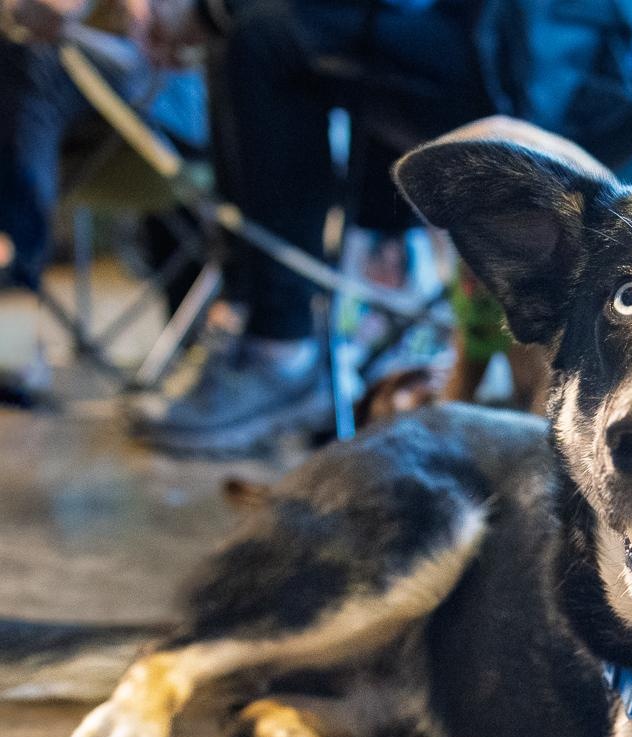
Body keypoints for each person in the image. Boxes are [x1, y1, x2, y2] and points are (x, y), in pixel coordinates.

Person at [134, 0, 496, 456]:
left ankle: (282, 347)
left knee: (266, 38)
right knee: (252, 33)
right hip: (518, 41)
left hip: (545, 55)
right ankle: (269, 321)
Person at [0, 0, 206, 293]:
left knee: (28, 60)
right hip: (85, 122)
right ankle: (15, 256)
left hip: (168, 115)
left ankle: (15, 259)